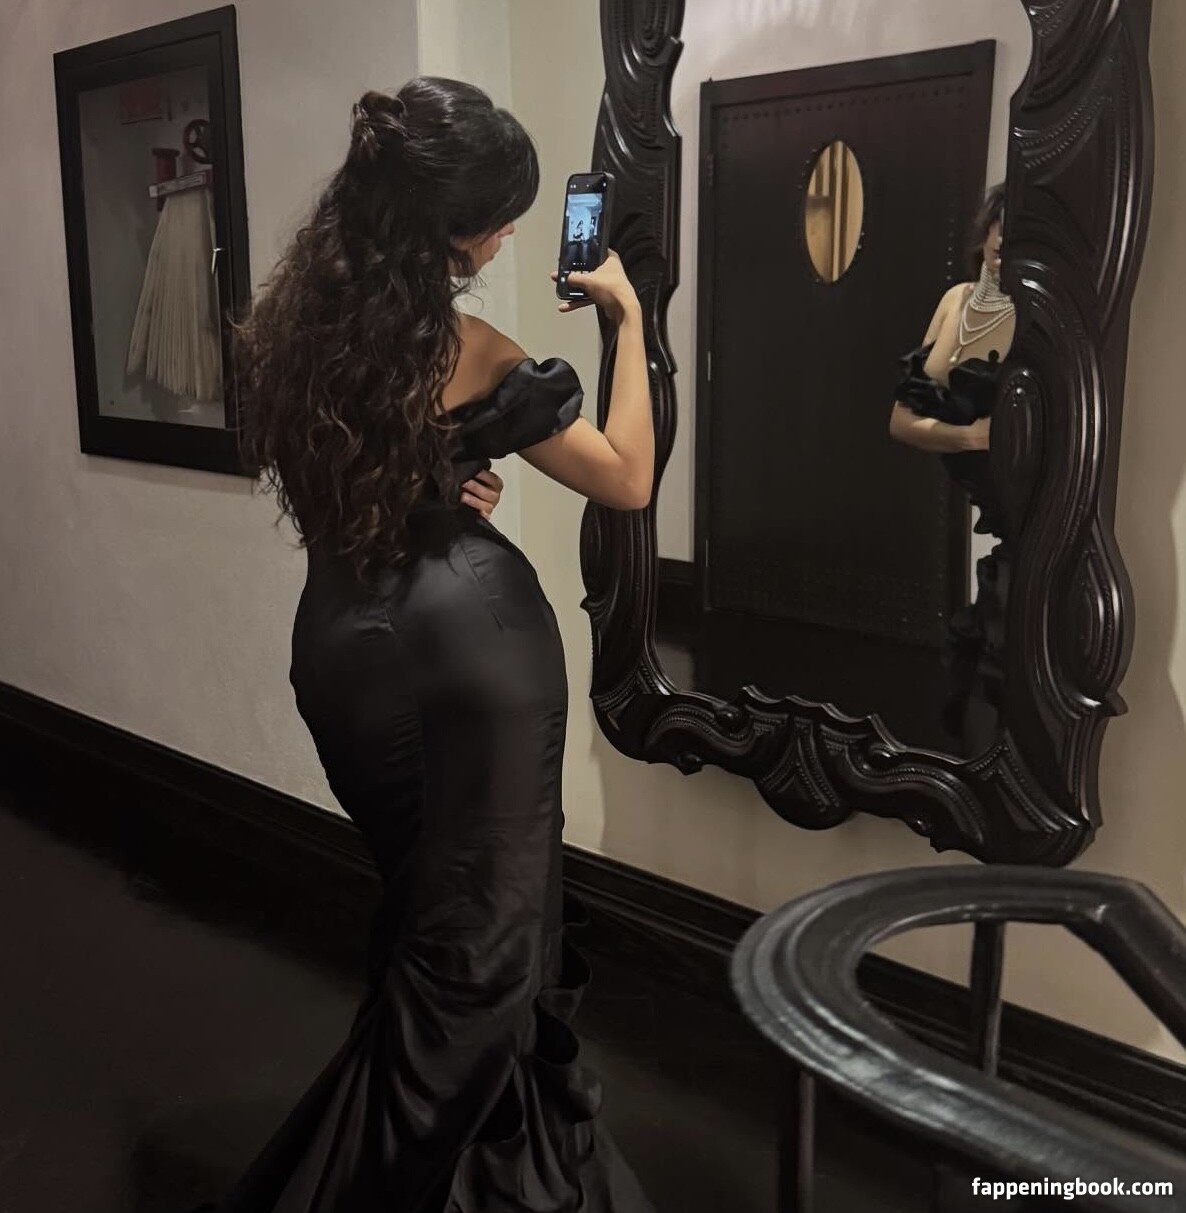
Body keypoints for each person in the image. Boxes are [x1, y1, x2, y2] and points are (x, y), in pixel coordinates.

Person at [210, 77, 655, 1213]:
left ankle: (475, 1173)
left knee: (431, 924)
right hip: (475, 662)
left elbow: (352, 489)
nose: (506, 239)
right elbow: (627, 478)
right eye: (498, 220)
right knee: (485, 955)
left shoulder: (290, 331)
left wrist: (435, 480)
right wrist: (626, 318)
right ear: (450, 229)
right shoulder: (471, 347)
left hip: (340, 658)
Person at [888, 183, 1014, 753]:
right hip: (993, 510)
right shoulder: (957, 301)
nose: (1004, 242)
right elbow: (902, 421)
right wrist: (969, 436)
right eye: (999, 227)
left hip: (1036, 520)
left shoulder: (1044, 313)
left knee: (999, 668)